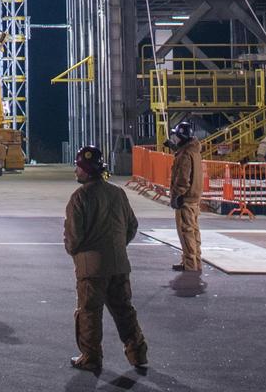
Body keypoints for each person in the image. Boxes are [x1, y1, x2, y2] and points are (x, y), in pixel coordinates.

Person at [65, 144, 148, 376]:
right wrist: (118, 248)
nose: (76, 171)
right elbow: (132, 226)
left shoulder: (80, 197)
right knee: (124, 310)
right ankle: (138, 353)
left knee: (89, 312)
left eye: (78, 167)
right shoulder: (117, 193)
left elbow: (73, 237)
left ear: (86, 170)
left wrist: (78, 254)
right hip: (119, 264)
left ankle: (91, 357)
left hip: (92, 269)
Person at [168, 118, 204, 273]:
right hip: (194, 199)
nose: (175, 138)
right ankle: (196, 261)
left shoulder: (184, 155)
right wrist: (174, 148)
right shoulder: (193, 151)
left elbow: (183, 178)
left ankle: (190, 265)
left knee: (186, 232)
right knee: (194, 232)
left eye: (176, 136)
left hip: (185, 200)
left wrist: (176, 195)